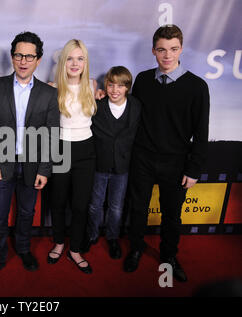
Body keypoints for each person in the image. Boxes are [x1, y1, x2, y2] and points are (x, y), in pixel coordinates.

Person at [123, 24, 210, 282]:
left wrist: (194, 169)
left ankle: (169, 255)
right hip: (142, 158)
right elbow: (131, 116)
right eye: (161, 49)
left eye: (173, 49)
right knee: (137, 209)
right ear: (153, 51)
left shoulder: (197, 86)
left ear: (181, 49)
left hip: (176, 161)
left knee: (172, 215)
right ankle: (136, 248)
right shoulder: (142, 80)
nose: (167, 55)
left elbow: (201, 132)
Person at [0, 31, 59, 277]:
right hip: (1, 164)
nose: (23, 61)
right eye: (18, 55)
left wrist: (45, 169)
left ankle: (24, 249)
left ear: (38, 59)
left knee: (26, 213)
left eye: (29, 56)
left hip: (33, 165)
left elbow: (51, 134)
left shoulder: (48, 93)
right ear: (12, 57)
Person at [47, 39, 97, 274]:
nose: (75, 63)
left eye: (80, 58)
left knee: (80, 205)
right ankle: (58, 242)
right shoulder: (52, 87)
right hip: (60, 149)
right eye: (70, 58)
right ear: (63, 61)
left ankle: (75, 249)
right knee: (57, 202)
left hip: (86, 151)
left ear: (85, 62)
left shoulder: (92, 85)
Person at [84, 66, 141, 260]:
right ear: (105, 86)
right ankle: (91, 235)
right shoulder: (97, 104)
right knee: (95, 205)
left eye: (120, 86)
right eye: (111, 85)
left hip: (123, 167)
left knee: (116, 206)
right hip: (99, 165)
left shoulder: (136, 106)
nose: (115, 90)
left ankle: (112, 238)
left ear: (127, 88)